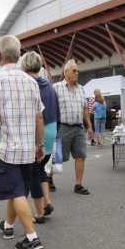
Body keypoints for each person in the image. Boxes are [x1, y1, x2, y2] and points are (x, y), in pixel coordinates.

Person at [0, 35, 45, 249]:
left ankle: (32, 237)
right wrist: (39, 144)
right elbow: (39, 117)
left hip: (5, 148)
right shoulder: (31, 81)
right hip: (27, 148)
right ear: (18, 54)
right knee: (18, 189)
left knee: (16, 191)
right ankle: (8, 226)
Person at [21, 52, 59, 222]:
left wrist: (38, 142)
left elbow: (34, 115)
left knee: (33, 174)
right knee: (41, 168)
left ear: (24, 66)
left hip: (39, 132)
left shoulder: (29, 85)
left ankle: (39, 213)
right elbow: (57, 111)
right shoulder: (49, 86)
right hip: (52, 130)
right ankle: (47, 202)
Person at [53, 59, 93, 195]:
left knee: (80, 155)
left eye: (78, 71)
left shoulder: (81, 89)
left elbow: (85, 109)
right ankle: (49, 179)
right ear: (66, 73)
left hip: (79, 128)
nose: (77, 73)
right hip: (63, 127)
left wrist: (89, 126)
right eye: (74, 71)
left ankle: (78, 185)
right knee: (58, 157)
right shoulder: (56, 87)